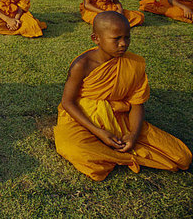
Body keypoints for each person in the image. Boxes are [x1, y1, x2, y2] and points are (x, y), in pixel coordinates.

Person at [54, 11, 191, 181]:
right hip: (83, 118)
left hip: (120, 118)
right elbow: (67, 103)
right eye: (116, 38)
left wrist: (133, 135)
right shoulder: (82, 64)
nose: (123, 44)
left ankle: (112, 151)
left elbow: (137, 104)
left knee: (182, 157)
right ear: (96, 38)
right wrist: (99, 132)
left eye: (127, 37)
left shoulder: (134, 64)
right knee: (76, 150)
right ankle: (124, 156)